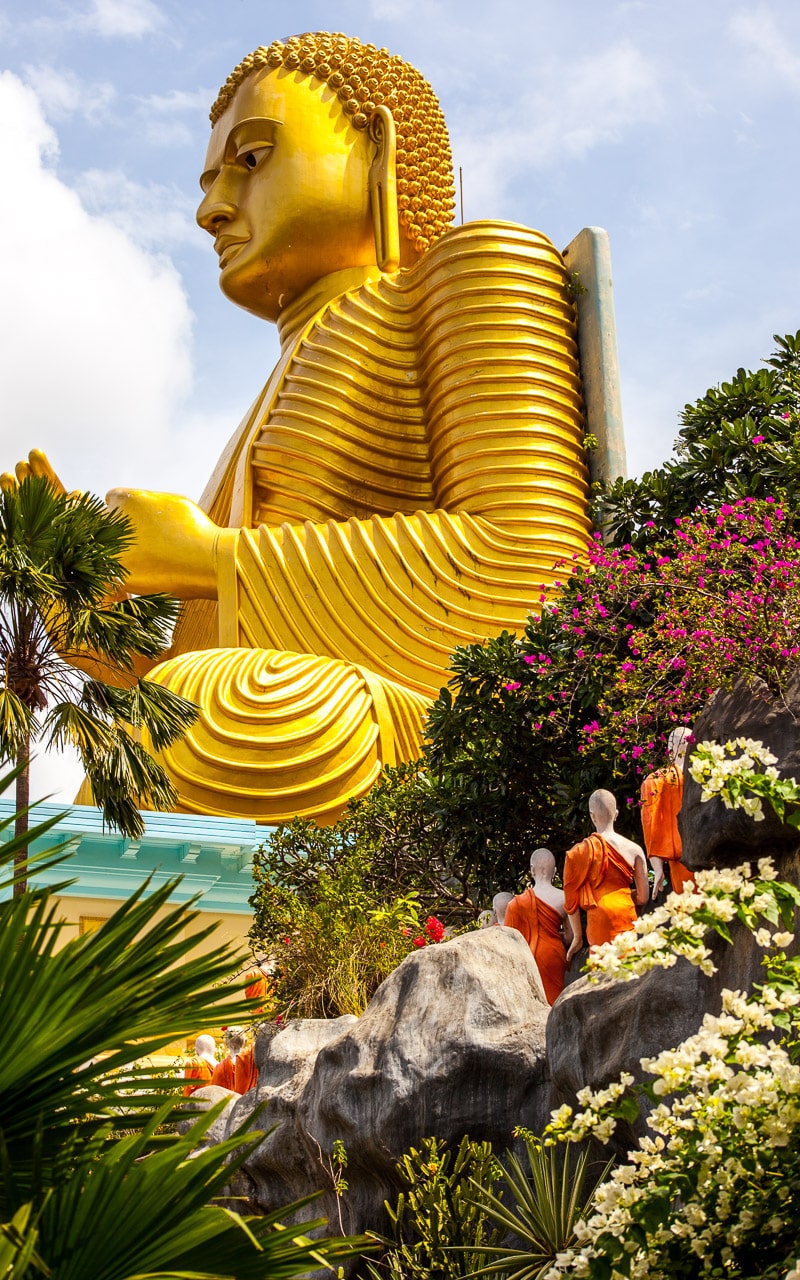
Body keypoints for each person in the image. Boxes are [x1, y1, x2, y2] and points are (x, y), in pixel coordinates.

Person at [15, 30, 596, 826]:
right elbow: (224, 640)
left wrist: (208, 555)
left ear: (379, 150)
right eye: (212, 180)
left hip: (428, 729)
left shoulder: (472, 270)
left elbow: (535, 567)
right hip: (271, 700)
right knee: (168, 707)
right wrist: (89, 620)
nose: (212, 207)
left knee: (206, 699)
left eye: (252, 162)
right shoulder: (259, 404)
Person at [564, 790, 649, 961]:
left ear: (592, 816)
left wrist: (577, 937)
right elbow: (643, 898)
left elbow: (571, 902)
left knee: (603, 974)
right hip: (625, 913)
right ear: (616, 814)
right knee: (629, 969)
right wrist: (627, 895)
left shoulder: (578, 853)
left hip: (599, 918)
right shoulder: (634, 849)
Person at [504, 848, 571, 1005]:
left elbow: (506, 942)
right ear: (554, 871)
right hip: (554, 953)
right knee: (555, 1001)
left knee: (532, 1003)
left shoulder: (516, 904)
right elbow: (570, 937)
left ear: (532, 870)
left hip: (527, 958)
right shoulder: (564, 897)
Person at [640, 726, 695, 897]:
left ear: (670, 749)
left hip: (683, 861)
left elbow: (651, 826)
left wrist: (658, 869)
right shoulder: (710, 776)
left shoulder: (656, 780)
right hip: (715, 859)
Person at [212, 1026, 247, 1091]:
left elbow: (216, 1093)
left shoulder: (219, 1068)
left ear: (226, 1043)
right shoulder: (252, 1064)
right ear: (245, 1042)